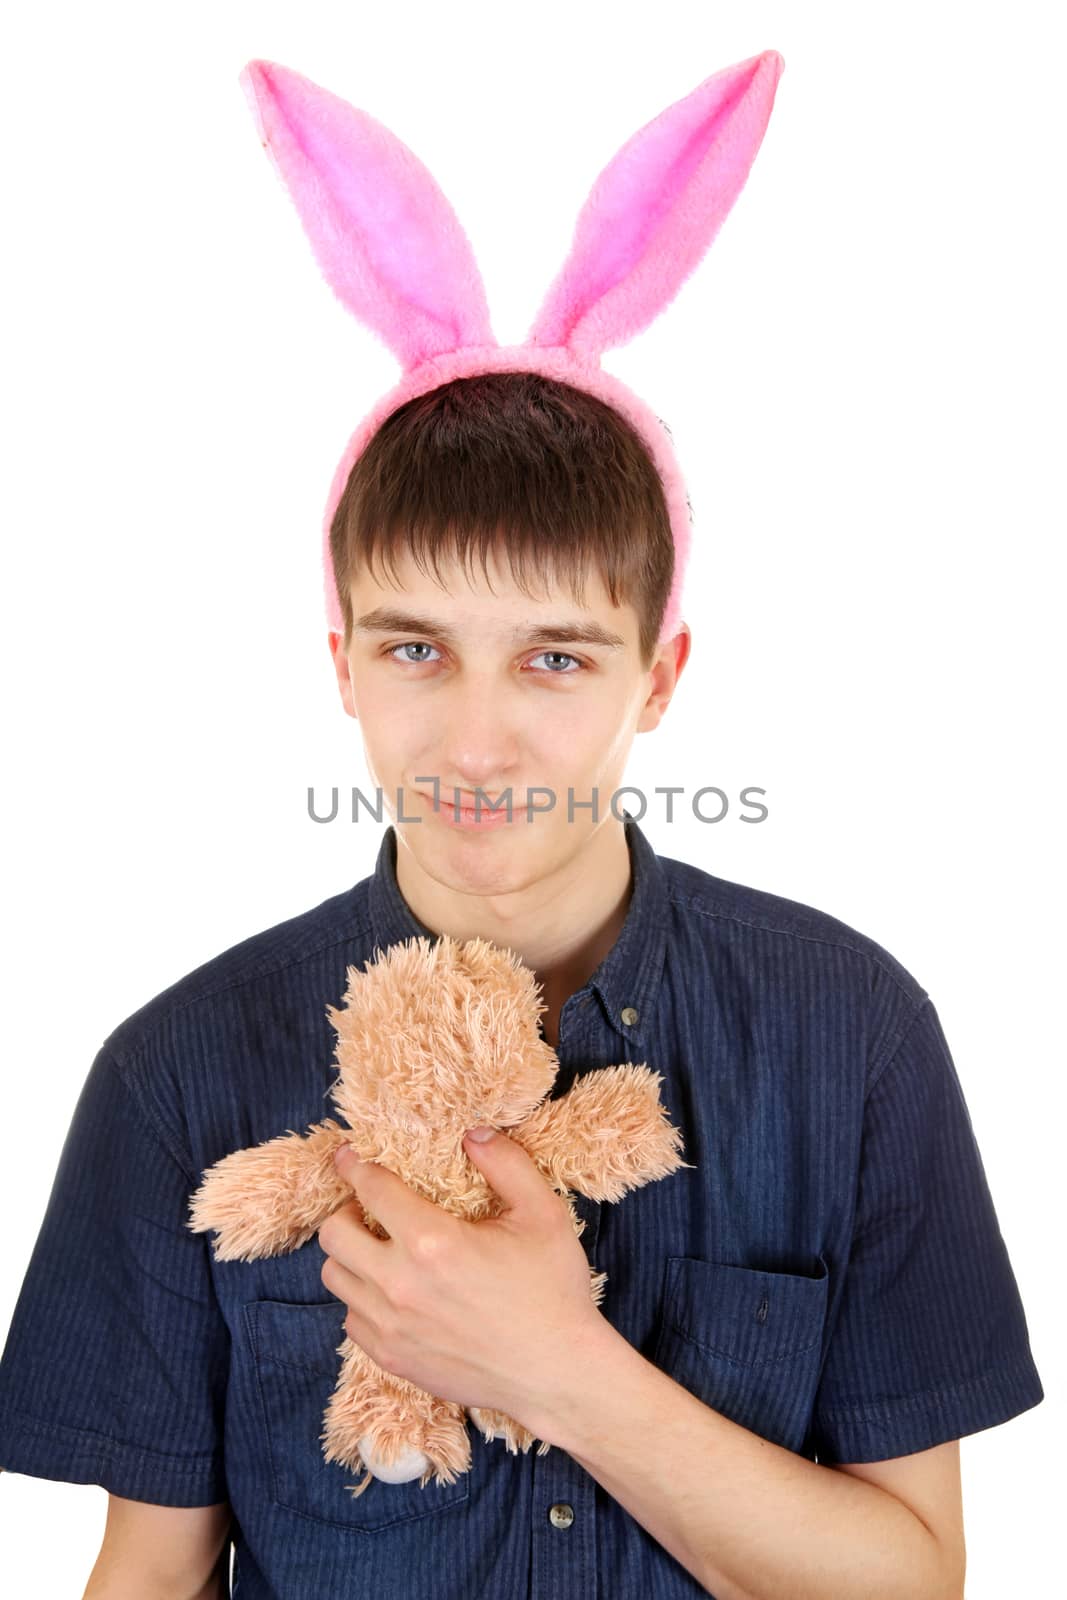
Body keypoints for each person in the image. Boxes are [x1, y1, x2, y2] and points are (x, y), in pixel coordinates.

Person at [0, 54, 1044, 1600]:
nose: (478, 740)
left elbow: (912, 1578)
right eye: (417, 650)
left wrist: (558, 1369)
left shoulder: (853, 1035)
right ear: (339, 664)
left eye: (555, 659)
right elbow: (147, 1576)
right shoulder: (179, 1072)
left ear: (662, 676)